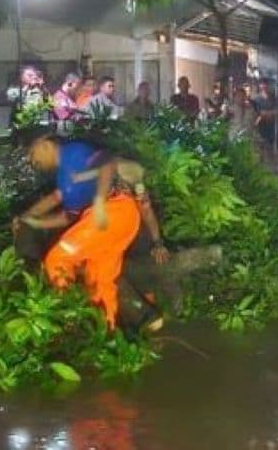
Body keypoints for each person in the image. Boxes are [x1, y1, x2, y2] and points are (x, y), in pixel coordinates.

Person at [17, 137, 168, 328]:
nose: (31, 160)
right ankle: (105, 332)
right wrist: (34, 222)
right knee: (101, 284)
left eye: (32, 153)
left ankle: (70, 315)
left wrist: (98, 202)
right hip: (116, 222)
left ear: (44, 143)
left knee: (58, 258)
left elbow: (106, 163)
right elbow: (67, 215)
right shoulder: (65, 178)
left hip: (113, 211)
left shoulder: (73, 152)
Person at [252, 80, 278, 158]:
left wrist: (269, 113)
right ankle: (261, 159)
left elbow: (277, 111)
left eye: (266, 84)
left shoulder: (273, 97)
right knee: (260, 142)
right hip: (260, 124)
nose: (264, 87)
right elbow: (255, 112)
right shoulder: (256, 98)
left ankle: (271, 159)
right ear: (260, 86)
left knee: (270, 142)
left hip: (270, 124)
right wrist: (262, 114)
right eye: (262, 84)